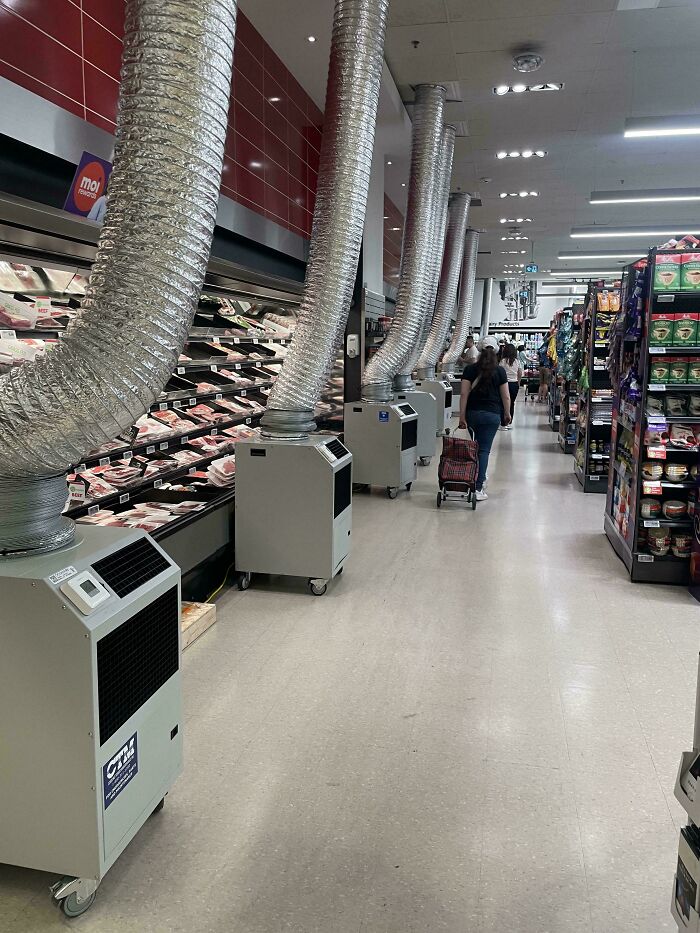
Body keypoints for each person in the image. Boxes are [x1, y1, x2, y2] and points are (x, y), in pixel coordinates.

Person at [458, 336, 511, 501]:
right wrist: (507, 414)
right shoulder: (500, 371)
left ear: (479, 351)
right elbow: (506, 397)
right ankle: (478, 487)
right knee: (484, 450)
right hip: (492, 415)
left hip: (473, 414)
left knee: (474, 448)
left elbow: (464, 394)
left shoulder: (470, 370)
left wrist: (461, 416)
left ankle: (473, 479)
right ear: (496, 352)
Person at [499, 343, 523, 428]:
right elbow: (519, 373)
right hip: (514, 384)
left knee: (503, 403)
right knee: (512, 402)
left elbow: (500, 372)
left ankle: (503, 421)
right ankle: (509, 421)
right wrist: (518, 383)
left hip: (504, 384)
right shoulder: (517, 361)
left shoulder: (502, 361)